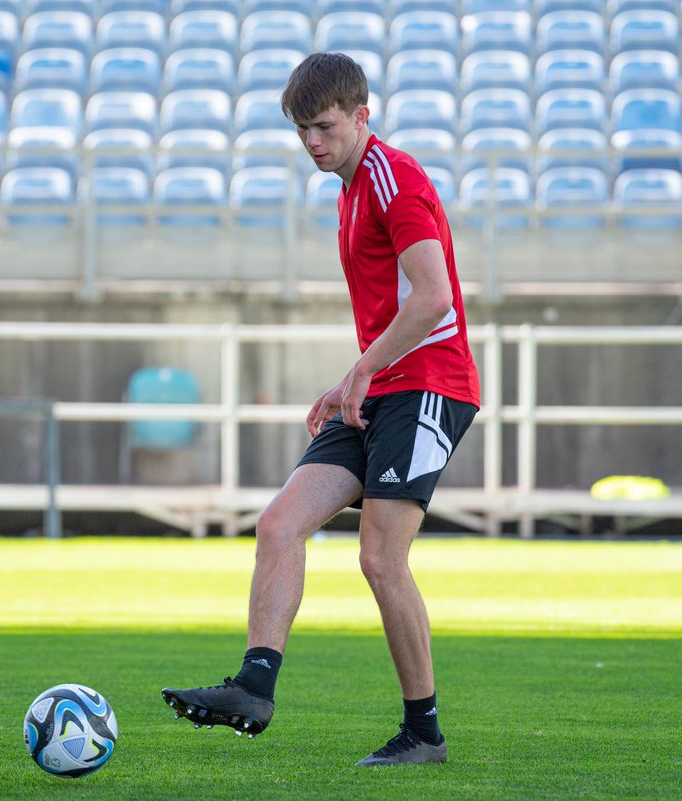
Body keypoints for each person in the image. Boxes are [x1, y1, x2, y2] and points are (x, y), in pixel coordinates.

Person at [161, 52, 480, 767]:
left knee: (379, 557)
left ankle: (424, 733)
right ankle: (253, 687)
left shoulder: (396, 180)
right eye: (302, 129)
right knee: (280, 524)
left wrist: (361, 368)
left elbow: (433, 298)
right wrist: (352, 380)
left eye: (324, 126)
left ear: (362, 116)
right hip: (382, 387)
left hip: (432, 386)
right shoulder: (350, 188)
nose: (312, 141)